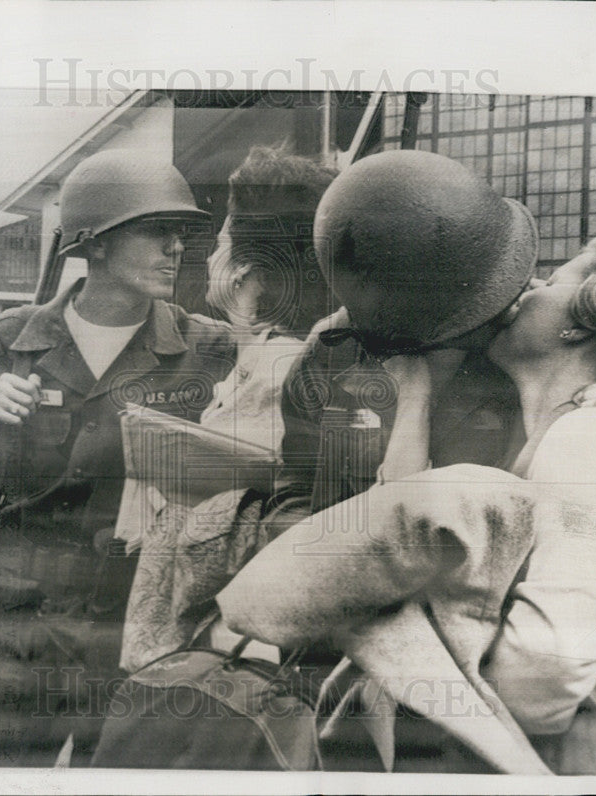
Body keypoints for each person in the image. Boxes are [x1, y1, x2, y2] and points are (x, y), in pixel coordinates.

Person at [219, 168, 596, 775]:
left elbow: (546, 664)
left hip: (580, 746)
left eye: (554, 275)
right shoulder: (333, 360)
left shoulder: (584, 415)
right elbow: (311, 503)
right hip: (384, 702)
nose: (527, 287)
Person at [0, 149, 235, 766]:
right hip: (21, 622)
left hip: (139, 620)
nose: (176, 248)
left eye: (180, 233)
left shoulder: (207, 348)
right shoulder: (16, 338)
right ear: (94, 246)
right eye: (156, 231)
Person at [116, 145, 338, 673]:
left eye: (219, 244)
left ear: (245, 275)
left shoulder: (280, 363)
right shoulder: (273, 346)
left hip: (226, 642)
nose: (210, 258)